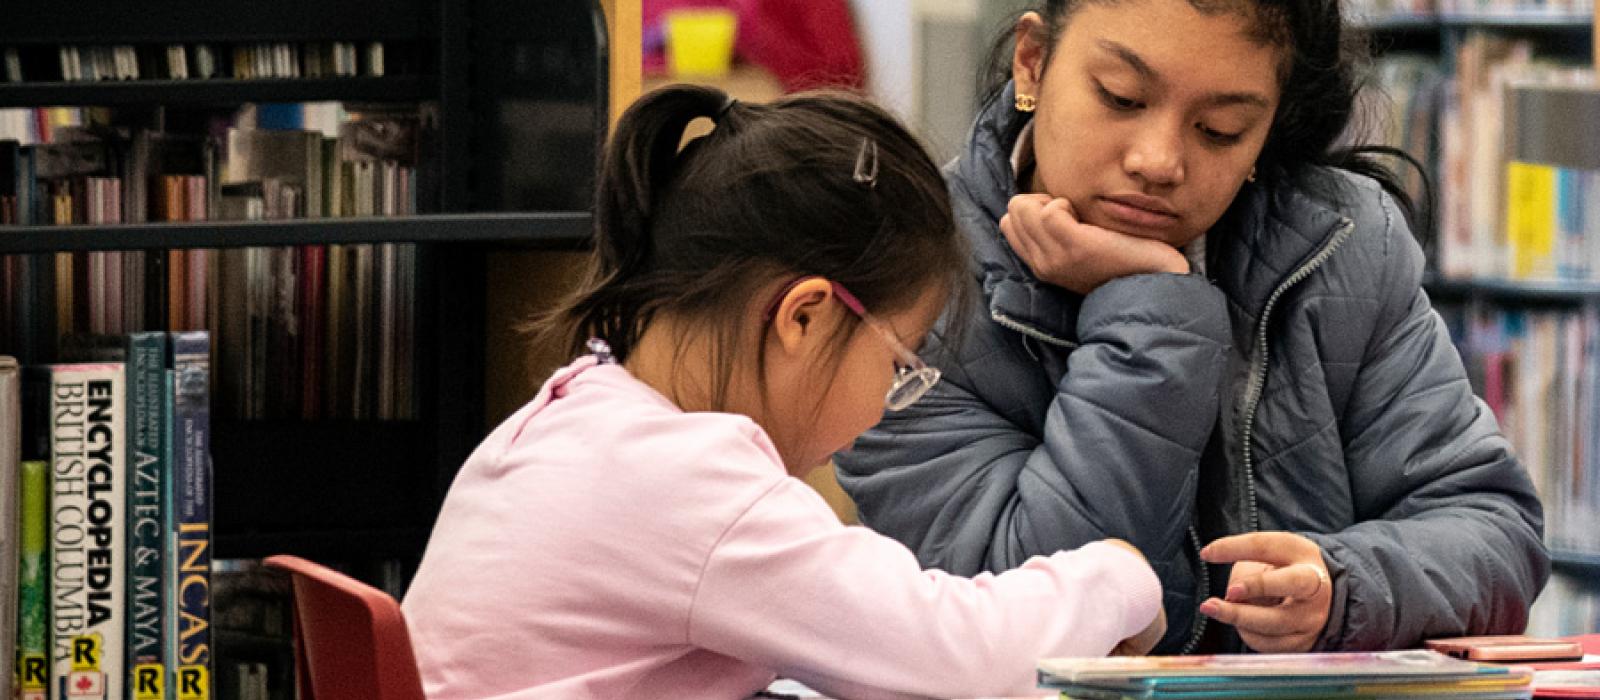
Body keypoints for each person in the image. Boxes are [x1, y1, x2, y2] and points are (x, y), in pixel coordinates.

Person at [401, 84, 1166, 700]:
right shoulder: (693, 480)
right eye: (899, 367)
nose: (884, 405)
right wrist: (1121, 574)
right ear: (804, 315)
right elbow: (956, 655)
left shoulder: (577, 412)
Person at [835, 0, 1550, 655]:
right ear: (1033, 60)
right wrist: (1151, 307)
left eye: (1221, 130)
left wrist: (1343, 586)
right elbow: (1027, 614)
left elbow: (1494, 529)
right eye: (1120, 97)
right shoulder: (903, 289)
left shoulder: (1342, 245)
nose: (1159, 162)